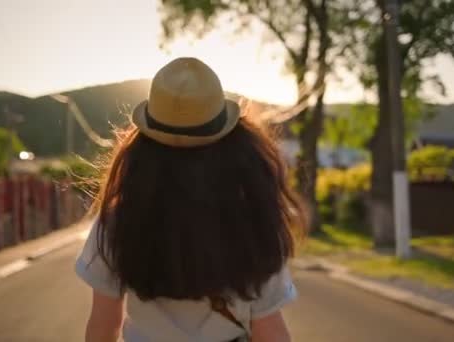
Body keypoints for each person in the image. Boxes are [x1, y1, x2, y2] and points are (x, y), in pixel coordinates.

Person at [75, 57, 306, 342]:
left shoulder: (118, 221)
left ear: (143, 148)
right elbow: (270, 332)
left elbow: (103, 325)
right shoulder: (252, 224)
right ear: (233, 145)